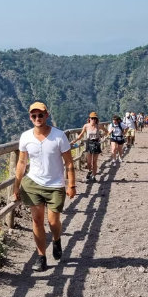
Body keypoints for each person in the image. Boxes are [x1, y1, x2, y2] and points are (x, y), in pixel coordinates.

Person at [13, 102, 76, 272]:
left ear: (47, 115)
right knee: (37, 220)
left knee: (53, 221)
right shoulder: (25, 137)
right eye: (34, 115)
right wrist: (16, 186)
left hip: (55, 185)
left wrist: (71, 184)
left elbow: (69, 162)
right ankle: (41, 257)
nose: (37, 118)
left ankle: (56, 239)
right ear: (30, 117)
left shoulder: (59, 136)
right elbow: (21, 162)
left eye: (40, 115)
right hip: (33, 183)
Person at [72, 112, 107, 183]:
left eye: (95, 118)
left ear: (96, 119)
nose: (93, 120)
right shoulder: (86, 126)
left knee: (94, 161)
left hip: (96, 143)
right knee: (88, 162)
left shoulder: (98, 126)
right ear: (89, 119)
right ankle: (90, 171)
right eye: (92, 118)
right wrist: (74, 141)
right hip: (89, 143)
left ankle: (94, 176)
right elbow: (81, 135)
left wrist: (101, 136)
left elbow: (106, 131)